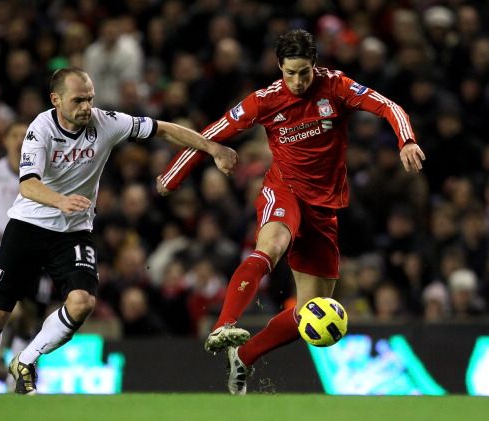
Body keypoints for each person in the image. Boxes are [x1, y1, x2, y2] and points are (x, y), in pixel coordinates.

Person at [156, 29, 425, 395]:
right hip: (284, 191)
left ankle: (244, 356)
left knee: (313, 308)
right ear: (279, 68)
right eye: (289, 73)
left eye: (304, 72)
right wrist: (173, 175)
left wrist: (406, 140)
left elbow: (388, 106)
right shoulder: (265, 100)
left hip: (324, 208)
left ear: (315, 65)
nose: (297, 81)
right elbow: (213, 132)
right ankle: (224, 325)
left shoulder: (337, 87)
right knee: (272, 244)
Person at [0, 67, 237, 395]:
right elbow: (29, 186)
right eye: (78, 100)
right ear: (55, 100)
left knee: (82, 302)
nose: (86, 106)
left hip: (73, 231)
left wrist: (212, 148)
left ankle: (26, 360)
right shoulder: (40, 129)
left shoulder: (107, 122)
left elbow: (164, 130)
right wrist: (61, 201)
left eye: (89, 98)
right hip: (29, 226)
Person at [0, 120, 53, 386]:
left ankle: (14, 367)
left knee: (29, 315)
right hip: (0, 252)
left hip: (35, 252)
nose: (19, 140)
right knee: (9, 310)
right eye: (14, 135)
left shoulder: (43, 171)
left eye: (24, 135)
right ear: (4, 140)